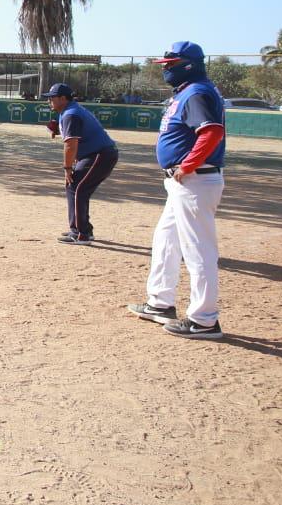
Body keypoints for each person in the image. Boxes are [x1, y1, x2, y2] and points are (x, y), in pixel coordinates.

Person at [129, 41, 228, 340]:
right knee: (166, 240)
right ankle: (160, 303)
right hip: (184, 183)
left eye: (170, 64)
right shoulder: (189, 90)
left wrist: (187, 166)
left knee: (198, 251)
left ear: (187, 64)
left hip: (195, 180)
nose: (166, 69)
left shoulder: (197, 91)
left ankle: (204, 320)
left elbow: (211, 132)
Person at [43, 83, 118, 244]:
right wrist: (57, 130)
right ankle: (81, 230)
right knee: (77, 189)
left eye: (52, 98)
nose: (49, 101)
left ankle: (81, 233)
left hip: (99, 155)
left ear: (63, 98)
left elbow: (71, 144)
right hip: (96, 154)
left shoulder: (71, 113)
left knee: (76, 188)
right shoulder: (70, 111)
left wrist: (67, 168)